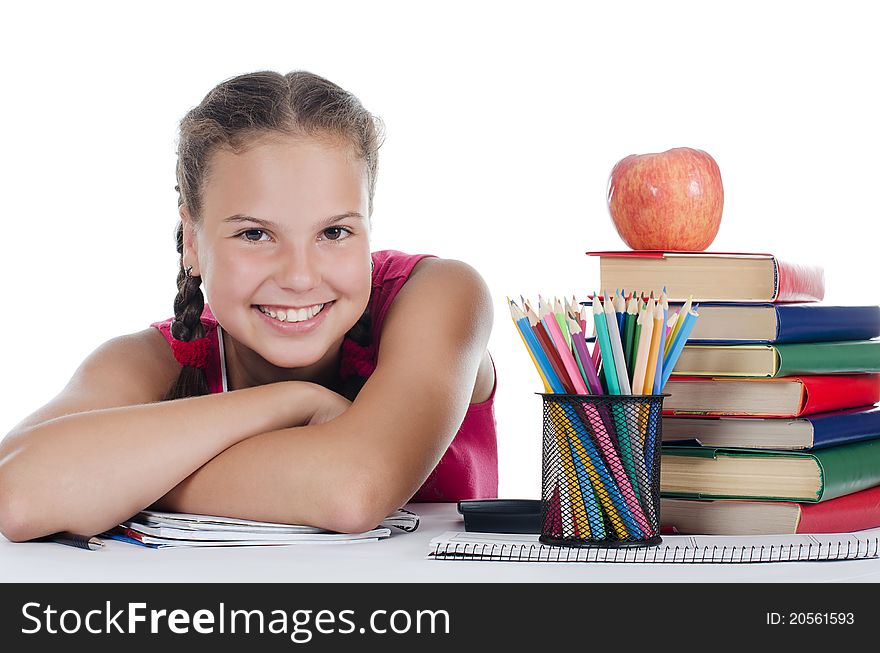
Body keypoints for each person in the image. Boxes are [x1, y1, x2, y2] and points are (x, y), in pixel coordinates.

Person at [0, 71, 497, 542]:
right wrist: (293, 402)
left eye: (334, 232)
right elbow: (16, 493)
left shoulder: (440, 296)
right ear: (192, 241)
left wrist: (114, 479)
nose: (300, 277)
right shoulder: (154, 359)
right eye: (255, 234)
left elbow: (351, 491)